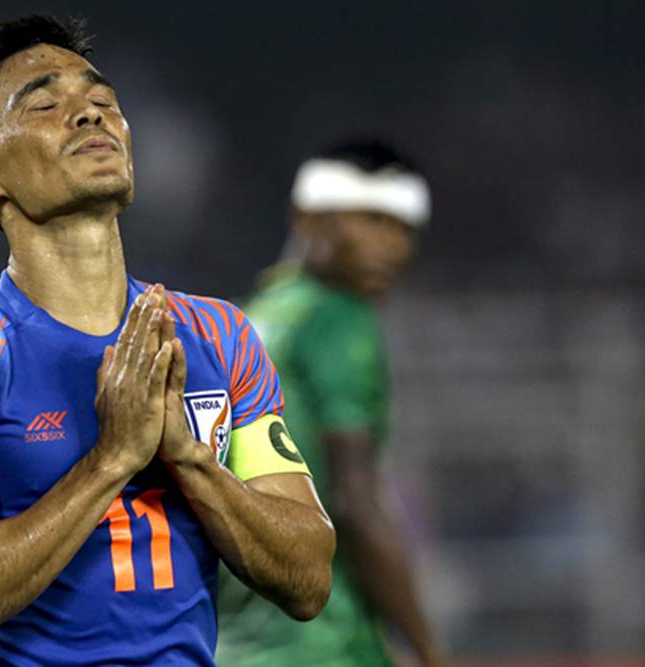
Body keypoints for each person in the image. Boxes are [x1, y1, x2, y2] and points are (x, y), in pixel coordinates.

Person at [0, 14, 336, 667]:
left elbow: (309, 577)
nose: (91, 114)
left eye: (103, 101)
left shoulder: (219, 335)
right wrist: (111, 459)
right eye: (44, 106)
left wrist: (188, 458)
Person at [216, 139, 443, 667]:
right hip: (325, 640)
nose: (392, 245)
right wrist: (427, 648)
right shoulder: (339, 319)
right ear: (308, 218)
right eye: (371, 220)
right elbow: (354, 500)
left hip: (238, 642)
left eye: (405, 229)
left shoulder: (249, 319)